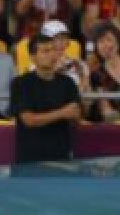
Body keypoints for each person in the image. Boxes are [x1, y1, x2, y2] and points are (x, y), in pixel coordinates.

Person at [9, 26, 82, 161]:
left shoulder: (68, 83)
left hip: (61, 158)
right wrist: (62, 113)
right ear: (33, 57)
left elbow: (75, 116)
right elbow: (29, 120)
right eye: (45, 51)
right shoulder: (21, 83)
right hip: (29, 160)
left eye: (54, 50)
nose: (52, 55)